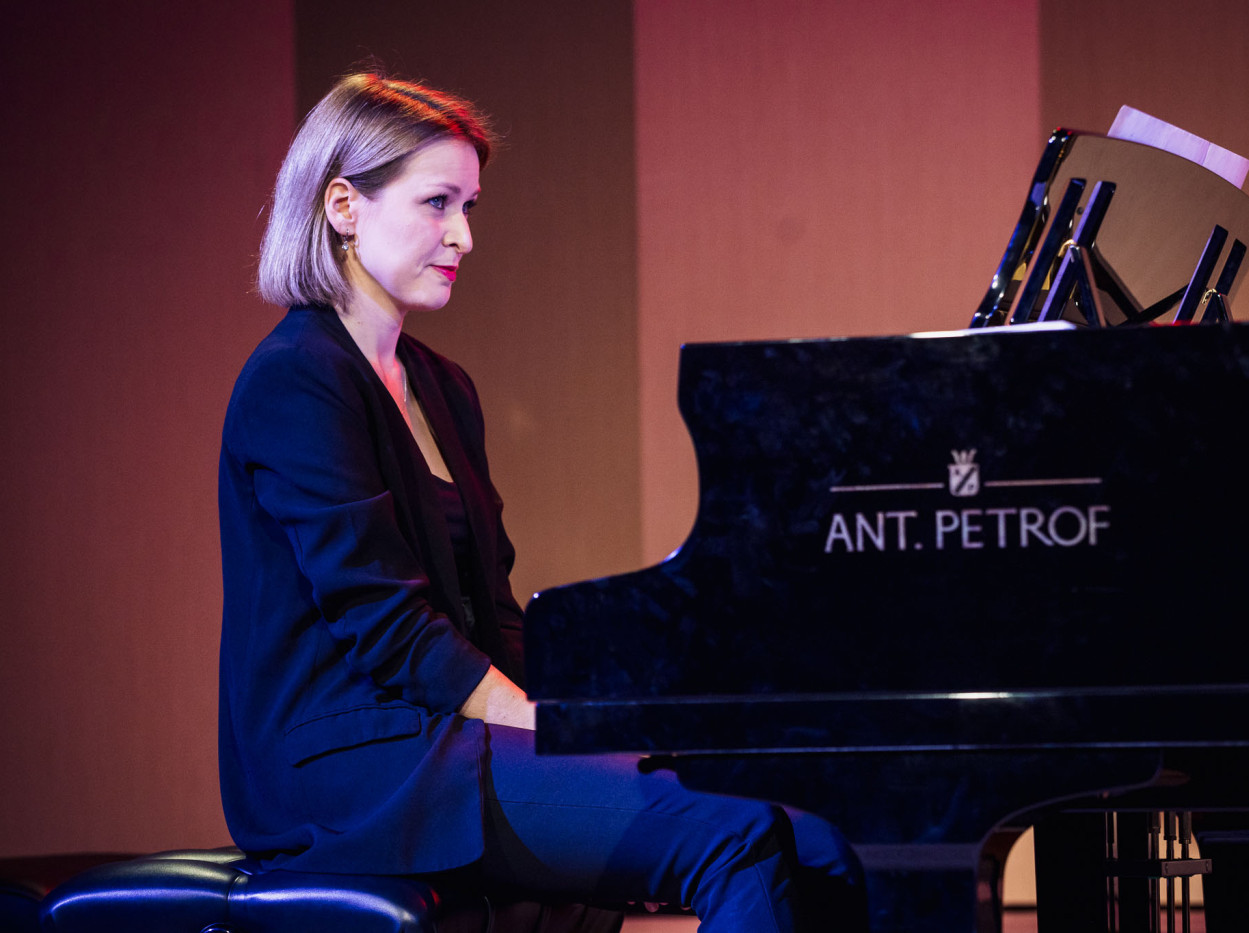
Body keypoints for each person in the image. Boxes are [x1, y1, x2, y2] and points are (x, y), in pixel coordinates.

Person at [219, 71, 863, 932]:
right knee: (737, 840)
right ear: (343, 206)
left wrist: (598, 718)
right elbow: (386, 624)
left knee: (819, 842)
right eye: (438, 203)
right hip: (350, 763)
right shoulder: (296, 378)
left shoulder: (443, 387)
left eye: (468, 207)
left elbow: (493, 612)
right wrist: (543, 725)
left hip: (446, 737)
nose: (463, 236)